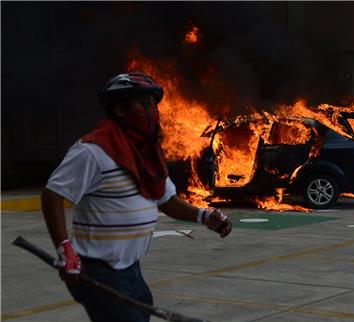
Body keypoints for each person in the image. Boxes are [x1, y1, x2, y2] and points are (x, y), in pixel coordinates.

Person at [41, 72, 232, 322]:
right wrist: (65, 249)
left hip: (130, 269)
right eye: (145, 104)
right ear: (120, 110)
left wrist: (204, 217)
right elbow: (52, 195)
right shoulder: (92, 151)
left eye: (154, 104)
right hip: (97, 271)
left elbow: (166, 200)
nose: (153, 111)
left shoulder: (146, 154)